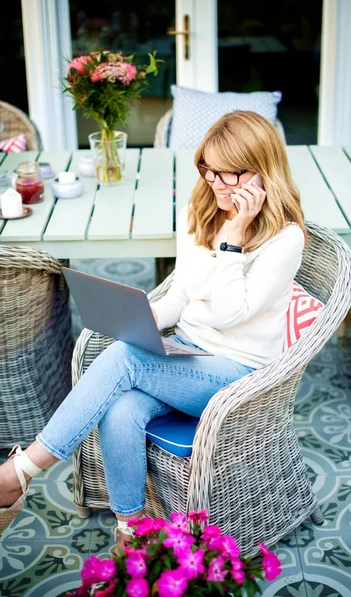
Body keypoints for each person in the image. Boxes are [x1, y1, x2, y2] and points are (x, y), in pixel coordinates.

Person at [0, 110, 306, 553]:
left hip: (241, 375)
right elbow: (183, 293)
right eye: (209, 170)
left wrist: (234, 241)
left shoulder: (285, 239)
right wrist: (139, 317)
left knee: (125, 358)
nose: (217, 184)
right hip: (188, 355)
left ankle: (19, 473)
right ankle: (131, 532)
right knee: (121, 406)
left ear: (262, 172)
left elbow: (227, 314)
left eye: (229, 174)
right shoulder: (203, 210)